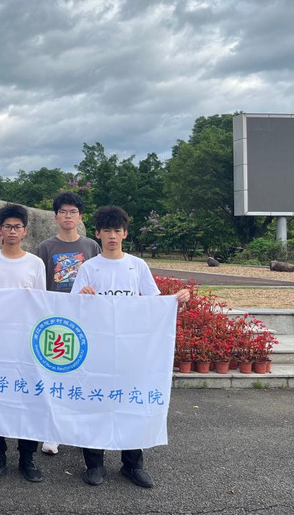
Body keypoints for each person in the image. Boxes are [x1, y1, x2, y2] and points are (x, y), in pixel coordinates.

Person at [71, 205, 189, 489]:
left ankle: (132, 464)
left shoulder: (137, 266)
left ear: (125, 233)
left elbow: (153, 305)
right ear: (98, 234)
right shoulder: (89, 268)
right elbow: (73, 309)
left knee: (131, 402)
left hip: (131, 349)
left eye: (117, 230)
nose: (112, 236)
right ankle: (94, 463)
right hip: (97, 349)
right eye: (107, 230)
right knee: (95, 403)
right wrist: (83, 296)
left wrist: (175, 301)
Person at [0, 204, 47, 483]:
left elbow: (43, 304)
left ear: (25, 231)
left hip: (27, 343)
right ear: (0, 230)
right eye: (8, 226)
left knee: (28, 398)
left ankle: (27, 457)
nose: (12, 231)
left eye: (17, 227)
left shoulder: (35, 263)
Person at [35, 191, 100, 456]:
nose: (68, 216)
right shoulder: (45, 247)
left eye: (73, 212)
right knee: (54, 373)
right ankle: (51, 432)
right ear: (56, 217)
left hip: (84, 318)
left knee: (82, 374)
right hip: (55, 320)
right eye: (63, 211)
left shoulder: (91, 247)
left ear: (80, 217)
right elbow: (40, 285)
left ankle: (77, 427)